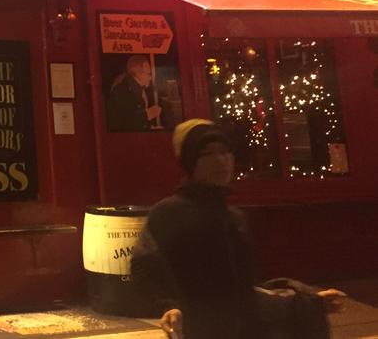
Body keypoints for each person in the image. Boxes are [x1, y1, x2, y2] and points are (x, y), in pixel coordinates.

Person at [131, 119, 347, 339]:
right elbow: (145, 271)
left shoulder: (233, 216)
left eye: (226, 152)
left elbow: (245, 293)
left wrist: (310, 301)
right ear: (190, 163)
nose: (221, 161)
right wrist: (168, 307)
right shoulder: (168, 213)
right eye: (207, 154)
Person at [106, 55, 162, 132]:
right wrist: (147, 115)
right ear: (138, 73)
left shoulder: (139, 88)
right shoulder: (123, 91)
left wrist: (150, 128)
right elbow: (123, 122)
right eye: (148, 73)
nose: (151, 78)